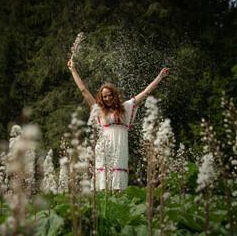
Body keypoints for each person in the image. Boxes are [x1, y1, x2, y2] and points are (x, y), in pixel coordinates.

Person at [67, 59, 169, 191]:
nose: (108, 98)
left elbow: (145, 93)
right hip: (104, 145)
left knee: (117, 186)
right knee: (103, 183)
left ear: (115, 95)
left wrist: (159, 77)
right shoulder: (99, 110)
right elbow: (83, 90)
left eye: (110, 95)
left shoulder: (126, 107)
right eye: (104, 97)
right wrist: (73, 70)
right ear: (101, 98)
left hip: (120, 144)